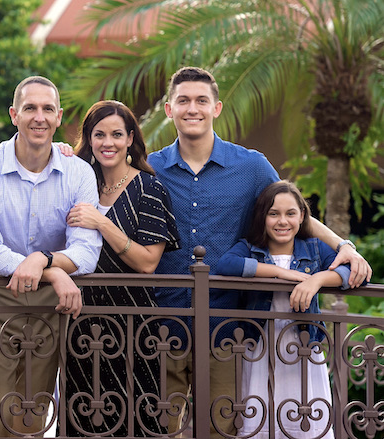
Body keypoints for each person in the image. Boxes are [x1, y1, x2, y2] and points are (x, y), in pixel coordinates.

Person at [146, 66, 372, 438]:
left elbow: (295, 212)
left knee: (223, 428)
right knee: (157, 429)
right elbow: (105, 181)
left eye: (201, 101)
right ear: (169, 109)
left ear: (216, 107)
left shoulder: (250, 166)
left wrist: (343, 246)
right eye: (183, 100)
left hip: (227, 327)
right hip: (161, 323)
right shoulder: (150, 168)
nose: (193, 109)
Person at [0, 76, 102, 437]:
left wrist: (43, 261)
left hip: (51, 305)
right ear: (14, 115)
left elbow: (86, 250)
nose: (38, 117)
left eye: (47, 109)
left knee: (33, 412)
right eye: (29, 108)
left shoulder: (78, 172)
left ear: (58, 118)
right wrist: (54, 270)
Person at [63, 100, 180, 436]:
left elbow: (148, 263)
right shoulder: (78, 184)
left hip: (134, 322)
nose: (107, 142)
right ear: (88, 138)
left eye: (116, 134)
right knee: (83, 418)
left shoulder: (149, 188)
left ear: (130, 139)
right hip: (81, 323)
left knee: (135, 420)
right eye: (99, 134)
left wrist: (102, 223)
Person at [217, 180, 346, 438]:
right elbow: (225, 264)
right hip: (260, 343)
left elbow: (349, 271)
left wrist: (317, 280)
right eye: (273, 214)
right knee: (260, 411)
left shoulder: (314, 248)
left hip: (302, 342)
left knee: (304, 412)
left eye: (290, 214)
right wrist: (280, 273)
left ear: (302, 217)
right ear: (262, 217)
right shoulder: (251, 248)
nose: (282, 221)